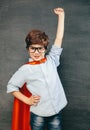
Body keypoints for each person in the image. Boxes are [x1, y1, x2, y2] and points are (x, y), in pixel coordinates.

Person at [7, 7, 67, 130]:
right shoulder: (25, 69)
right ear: (28, 49)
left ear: (45, 49)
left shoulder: (52, 60)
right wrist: (26, 100)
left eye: (40, 48)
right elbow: (11, 86)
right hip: (38, 114)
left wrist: (61, 16)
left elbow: (59, 38)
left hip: (56, 111)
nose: (36, 52)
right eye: (32, 48)